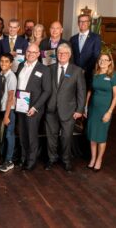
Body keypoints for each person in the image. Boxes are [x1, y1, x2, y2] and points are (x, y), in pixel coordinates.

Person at [45, 43, 86, 172]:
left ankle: (66, 160)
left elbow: (81, 91)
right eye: (59, 53)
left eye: (64, 53)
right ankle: (51, 159)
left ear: (69, 55)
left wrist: (80, 110)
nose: (61, 55)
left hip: (69, 111)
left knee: (66, 137)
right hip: (51, 109)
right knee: (51, 137)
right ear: (56, 55)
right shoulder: (49, 68)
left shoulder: (77, 71)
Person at [16, 44, 51, 170]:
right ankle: (23, 158)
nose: (30, 54)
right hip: (21, 106)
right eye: (28, 51)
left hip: (34, 108)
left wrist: (35, 107)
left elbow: (47, 91)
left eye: (33, 52)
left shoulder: (44, 69)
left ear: (38, 54)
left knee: (31, 135)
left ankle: (31, 161)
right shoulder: (21, 66)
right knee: (22, 134)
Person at [85, 52, 116, 172]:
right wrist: (85, 106)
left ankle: (99, 159)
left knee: (101, 137)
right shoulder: (94, 73)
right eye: (101, 59)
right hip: (93, 109)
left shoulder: (114, 75)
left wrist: (109, 112)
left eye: (106, 60)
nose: (103, 62)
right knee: (92, 136)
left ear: (110, 62)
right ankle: (93, 158)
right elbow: (90, 91)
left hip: (105, 110)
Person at [0, 53, 17, 173]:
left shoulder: (11, 77)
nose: (3, 63)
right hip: (1, 109)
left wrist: (6, 116)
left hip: (8, 110)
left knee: (9, 135)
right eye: (2, 61)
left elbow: (10, 97)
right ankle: (4, 157)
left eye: (6, 61)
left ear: (11, 64)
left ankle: (9, 161)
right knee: (3, 136)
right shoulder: (0, 74)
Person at [70, 14, 101, 89]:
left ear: (89, 23)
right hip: (74, 72)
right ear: (78, 23)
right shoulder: (72, 39)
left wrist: (85, 69)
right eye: (80, 21)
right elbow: (70, 55)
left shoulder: (95, 38)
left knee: (85, 95)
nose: (83, 23)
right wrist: (75, 69)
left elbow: (96, 55)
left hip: (88, 73)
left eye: (85, 21)